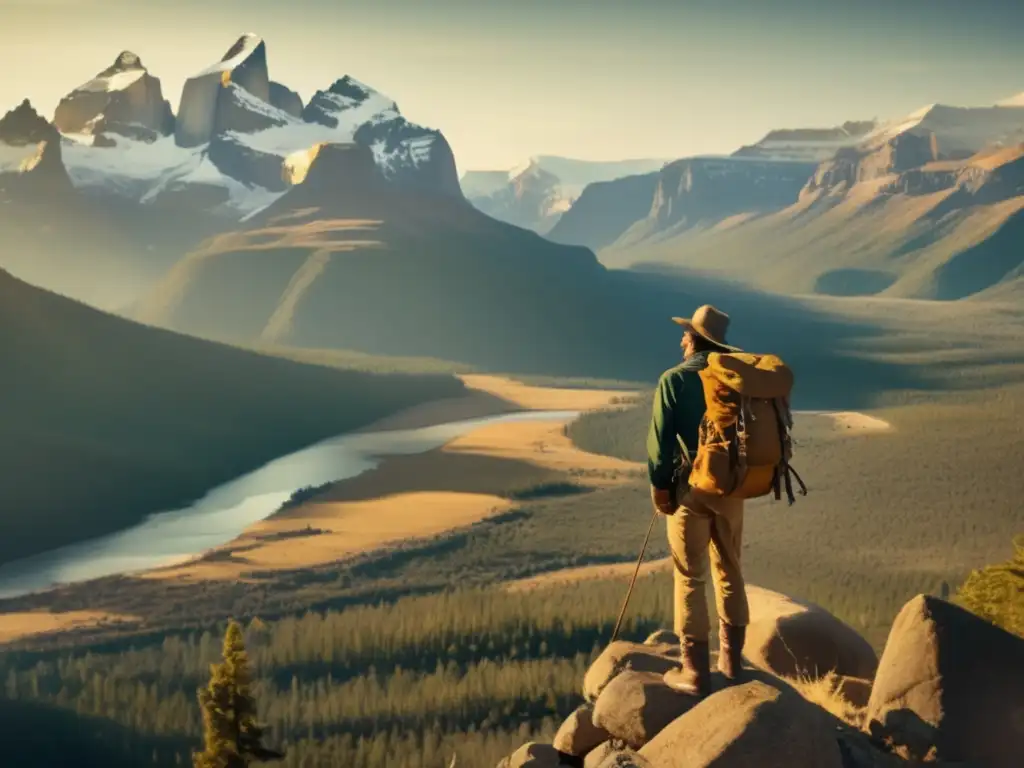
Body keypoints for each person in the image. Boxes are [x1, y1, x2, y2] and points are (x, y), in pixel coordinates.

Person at [645, 304, 749, 698]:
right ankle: (733, 666)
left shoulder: (673, 380)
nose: (681, 338)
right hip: (732, 489)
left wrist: (661, 490)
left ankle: (694, 674)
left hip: (690, 490)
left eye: (686, 333)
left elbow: (659, 445)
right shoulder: (736, 376)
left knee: (690, 575)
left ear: (695, 339)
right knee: (731, 570)